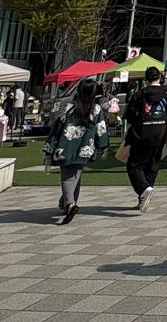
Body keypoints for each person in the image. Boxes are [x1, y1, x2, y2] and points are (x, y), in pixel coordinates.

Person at [43, 77, 109, 225]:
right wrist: (103, 146)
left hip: (65, 147)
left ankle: (70, 204)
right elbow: (101, 130)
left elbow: (57, 128)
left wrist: (49, 147)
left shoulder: (69, 108)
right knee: (76, 175)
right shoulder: (95, 109)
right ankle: (66, 203)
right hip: (85, 148)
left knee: (67, 177)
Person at [122, 66, 167, 213]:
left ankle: (144, 190)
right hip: (160, 133)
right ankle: (144, 194)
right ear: (159, 77)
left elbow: (130, 116)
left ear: (146, 80)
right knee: (152, 166)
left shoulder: (139, 94)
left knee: (134, 165)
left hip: (141, 134)